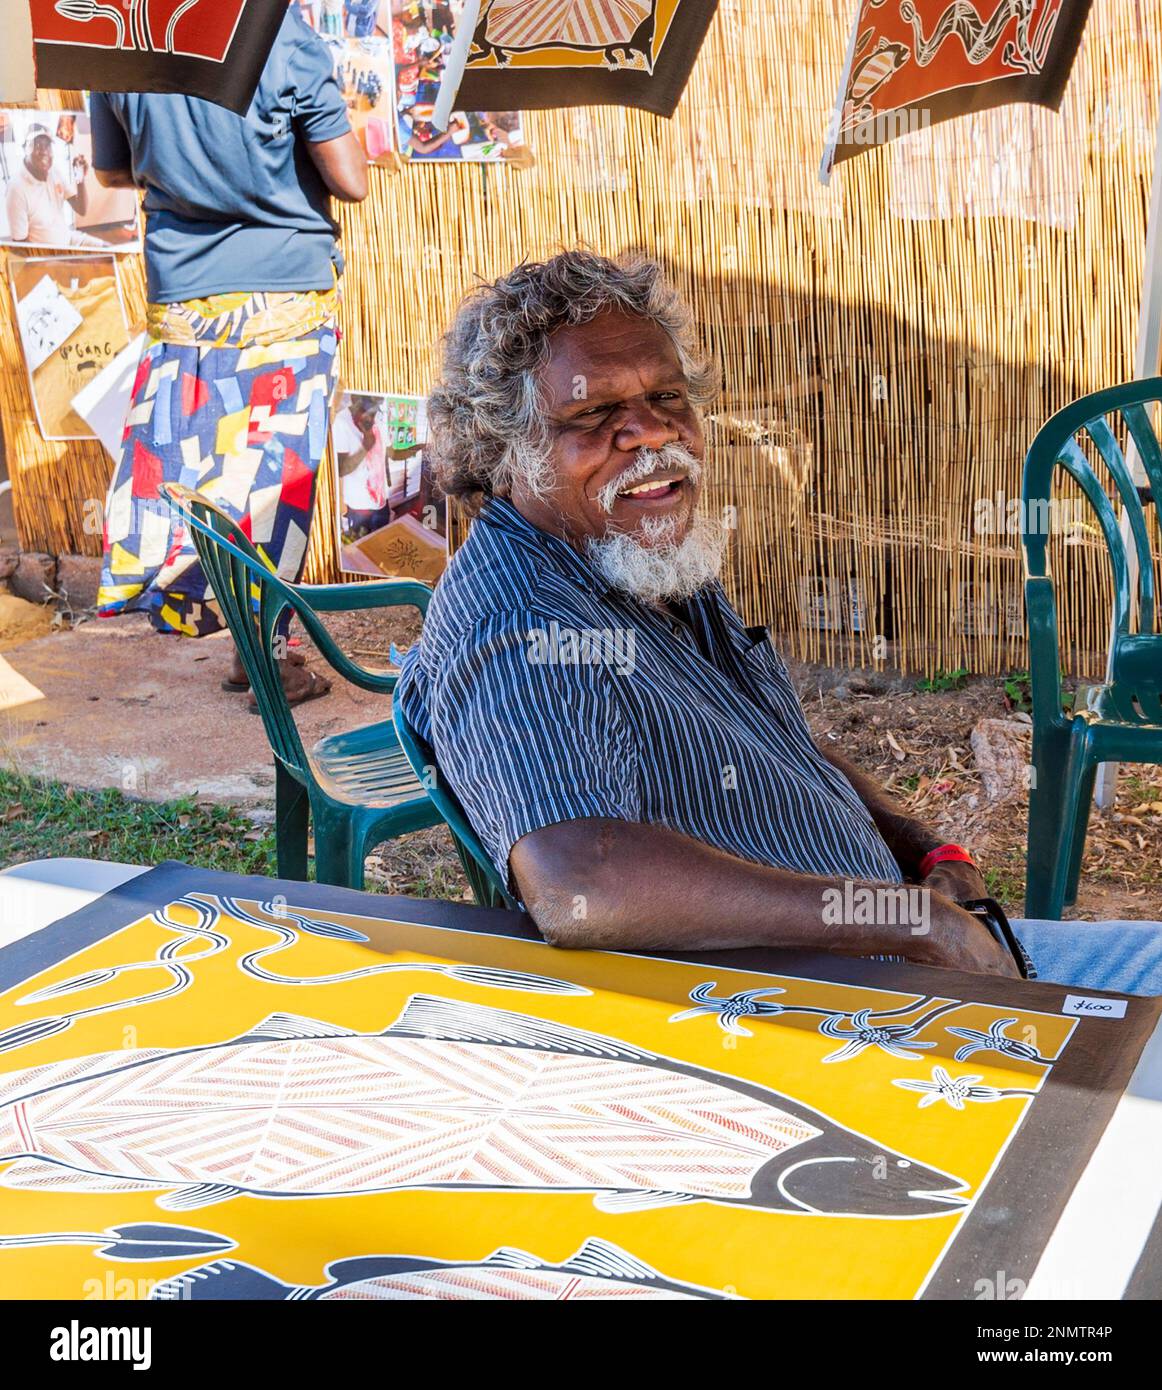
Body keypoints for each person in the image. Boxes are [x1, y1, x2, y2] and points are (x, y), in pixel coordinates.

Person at [395, 250, 1162, 996]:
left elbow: (782, 750)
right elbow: (578, 879)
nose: (652, 434)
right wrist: (900, 918)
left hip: (895, 955)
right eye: (595, 414)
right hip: (817, 1008)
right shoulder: (523, 619)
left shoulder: (645, 558)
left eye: (666, 399)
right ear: (503, 450)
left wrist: (926, 851)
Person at [92, 1, 369, 707]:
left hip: (183, 297)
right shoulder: (283, 38)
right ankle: (269, 661)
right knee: (273, 486)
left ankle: (239, 643)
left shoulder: (123, 41)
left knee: (206, 480)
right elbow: (351, 179)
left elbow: (114, 171)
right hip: (283, 297)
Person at [5, 124, 102, 249]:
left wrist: (80, 178)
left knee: (107, 248)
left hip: (69, 238)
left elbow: (81, 209)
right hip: (50, 253)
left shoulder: (54, 172)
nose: (44, 151)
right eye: (37, 145)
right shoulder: (16, 188)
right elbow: (20, 245)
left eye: (48, 145)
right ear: (25, 149)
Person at [335, 395, 391, 537]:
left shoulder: (378, 420)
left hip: (382, 503)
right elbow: (340, 469)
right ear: (354, 399)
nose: (371, 415)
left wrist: (416, 448)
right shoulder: (341, 422)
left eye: (374, 408)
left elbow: (391, 453)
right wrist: (366, 445)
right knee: (360, 552)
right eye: (366, 408)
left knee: (382, 546)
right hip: (359, 508)